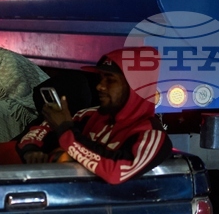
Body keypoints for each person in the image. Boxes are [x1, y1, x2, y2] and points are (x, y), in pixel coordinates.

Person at [16, 49, 171, 184]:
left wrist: (65, 131)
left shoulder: (151, 135)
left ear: (135, 88)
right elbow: (37, 132)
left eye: (110, 80)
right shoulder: (86, 115)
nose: (100, 86)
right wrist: (31, 151)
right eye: (100, 78)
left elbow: (116, 172)